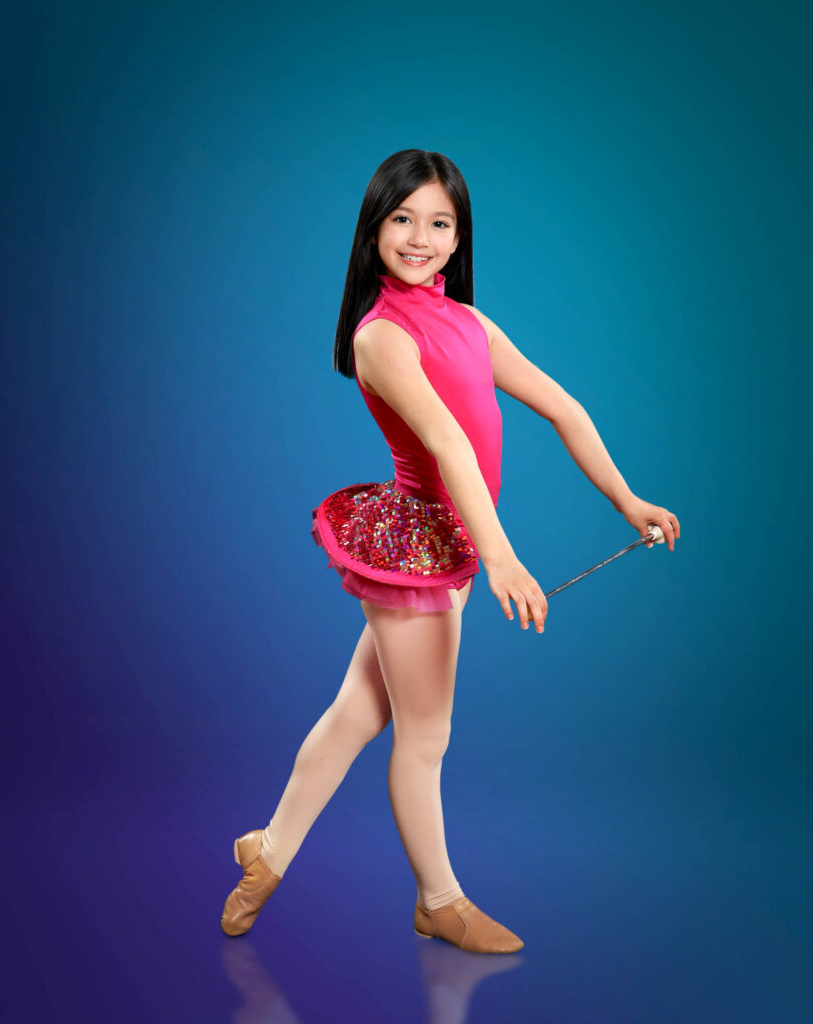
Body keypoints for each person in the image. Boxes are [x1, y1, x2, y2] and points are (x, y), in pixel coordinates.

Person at [221, 149, 680, 953]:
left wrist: (626, 498)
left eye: (439, 222)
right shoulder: (381, 337)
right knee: (424, 737)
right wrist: (501, 556)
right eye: (402, 219)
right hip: (420, 550)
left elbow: (563, 408)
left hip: (455, 547)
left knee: (358, 711)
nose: (419, 236)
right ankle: (438, 900)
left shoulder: (470, 323)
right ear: (373, 230)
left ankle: (269, 846)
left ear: (459, 236)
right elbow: (446, 442)